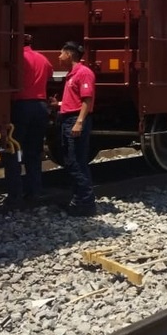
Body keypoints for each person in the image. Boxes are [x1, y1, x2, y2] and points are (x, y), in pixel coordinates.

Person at [2, 34, 54, 207]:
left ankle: (15, 195)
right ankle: (34, 192)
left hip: (21, 107)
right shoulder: (42, 58)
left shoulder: (17, 59)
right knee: (34, 151)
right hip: (40, 107)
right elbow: (49, 75)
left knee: (13, 150)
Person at [57, 40, 97, 216]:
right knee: (70, 161)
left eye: (61, 53)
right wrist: (58, 104)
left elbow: (87, 100)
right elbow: (75, 100)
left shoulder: (83, 73)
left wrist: (79, 122)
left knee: (77, 162)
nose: (59, 57)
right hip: (68, 119)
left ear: (69, 54)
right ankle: (78, 199)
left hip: (75, 120)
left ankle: (86, 203)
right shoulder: (71, 74)